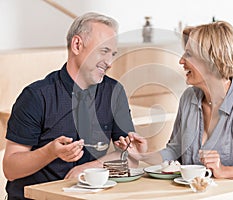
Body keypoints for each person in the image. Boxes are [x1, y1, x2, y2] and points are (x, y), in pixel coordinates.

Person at [117, 21, 233, 187]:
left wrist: (225, 170)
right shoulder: (189, 98)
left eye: (188, 54)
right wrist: (143, 156)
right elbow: (176, 151)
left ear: (211, 60)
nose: (181, 61)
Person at [3, 12, 136, 199]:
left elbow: (128, 154)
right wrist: (50, 152)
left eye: (112, 54)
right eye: (103, 51)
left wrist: (89, 167)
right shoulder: (36, 96)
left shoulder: (114, 92)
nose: (110, 63)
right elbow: (10, 169)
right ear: (77, 45)